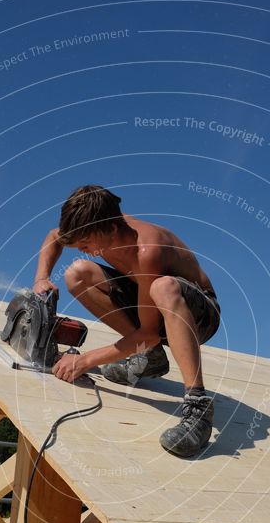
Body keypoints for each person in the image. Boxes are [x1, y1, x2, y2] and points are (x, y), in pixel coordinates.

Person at [33, 184, 220, 457]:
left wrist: (85, 361)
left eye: (85, 244)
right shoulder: (98, 228)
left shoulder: (148, 250)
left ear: (109, 230)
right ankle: (151, 359)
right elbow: (54, 236)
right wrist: (42, 277)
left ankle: (198, 406)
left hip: (199, 314)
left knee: (163, 288)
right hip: (153, 305)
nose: (82, 249)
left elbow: (149, 332)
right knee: (78, 273)